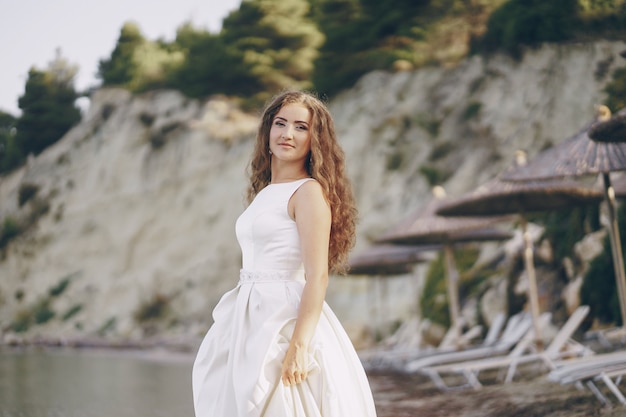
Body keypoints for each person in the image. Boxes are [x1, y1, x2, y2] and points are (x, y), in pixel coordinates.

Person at [192, 90, 378, 417]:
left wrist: (300, 345)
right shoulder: (265, 193)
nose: (287, 134)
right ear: (267, 132)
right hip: (248, 313)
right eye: (280, 123)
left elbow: (317, 275)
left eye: (301, 127)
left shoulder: (308, 193)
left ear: (315, 141)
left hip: (283, 316)